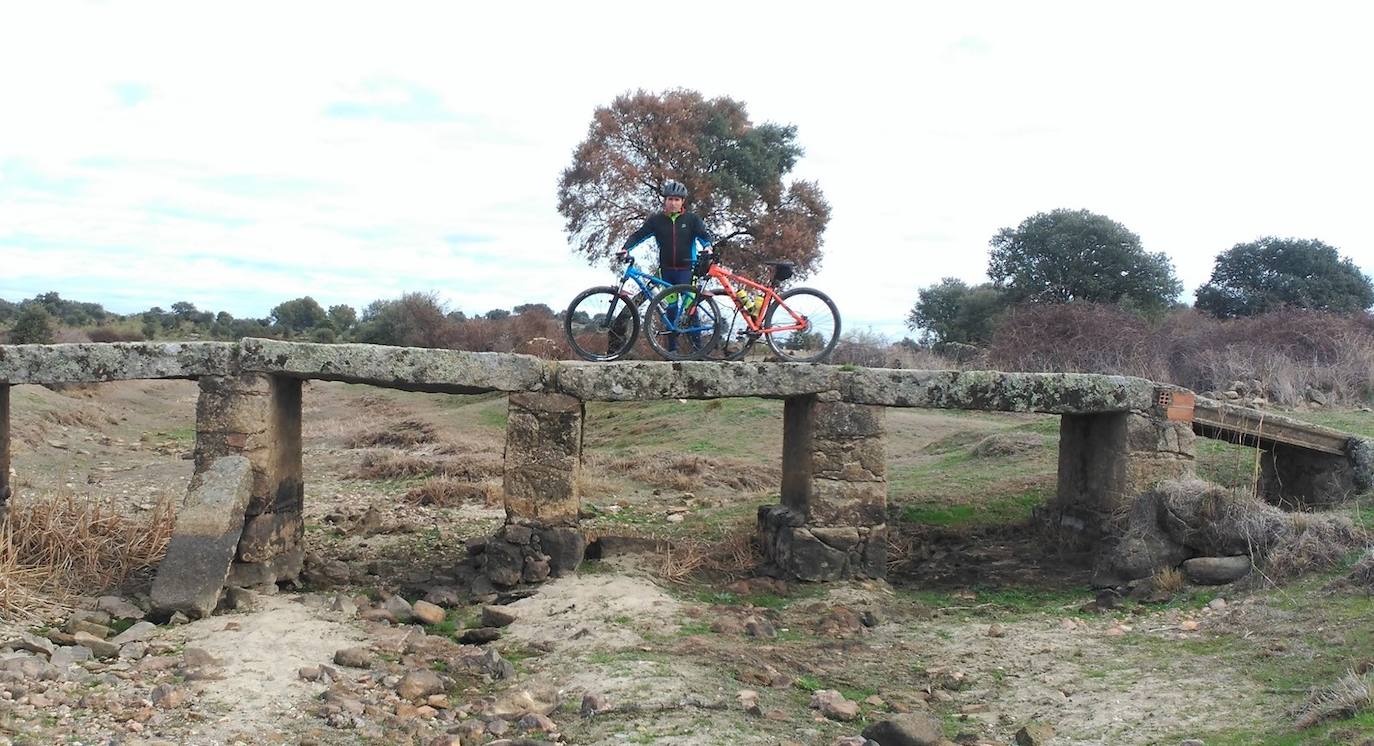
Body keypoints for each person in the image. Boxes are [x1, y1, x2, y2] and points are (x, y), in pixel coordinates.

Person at [616, 180, 715, 351]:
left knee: (690, 307)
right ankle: (672, 350)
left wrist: (707, 246)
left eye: (677, 199)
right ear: (665, 201)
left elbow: (704, 235)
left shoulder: (691, 219)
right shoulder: (657, 221)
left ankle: (699, 350)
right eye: (670, 199)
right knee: (671, 308)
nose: (673, 202)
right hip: (666, 270)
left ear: (682, 201)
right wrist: (625, 248)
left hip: (686, 270)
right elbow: (639, 235)